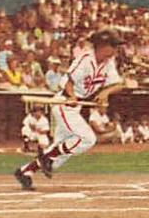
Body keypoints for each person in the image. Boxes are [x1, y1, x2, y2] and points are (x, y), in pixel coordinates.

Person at [15, 30, 125, 190]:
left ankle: (25, 172)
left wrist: (104, 93)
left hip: (76, 105)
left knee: (61, 150)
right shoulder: (85, 59)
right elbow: (68, 80)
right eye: (113, 46)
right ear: (102, 46)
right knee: (87, 139)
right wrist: (72, 95)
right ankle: (47, 158)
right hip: (64, 103)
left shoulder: (109, 62)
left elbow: (118, 84)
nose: (116, 50)